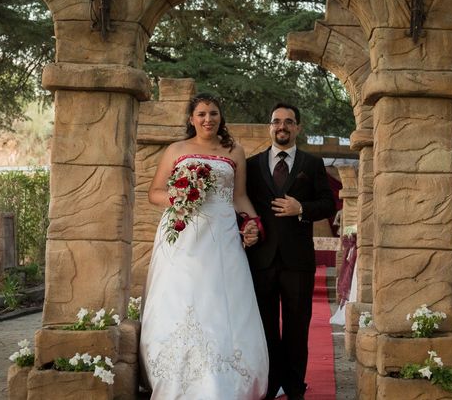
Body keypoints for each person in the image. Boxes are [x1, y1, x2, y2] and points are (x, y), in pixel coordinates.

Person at [140, 93, 269, 399]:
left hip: (222, 234)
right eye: (201, 114)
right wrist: (180, 198)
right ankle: (175, 375)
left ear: (220, 117)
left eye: (213, 113)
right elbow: (154, 192)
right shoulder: (176, 150)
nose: (208, 119)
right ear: (191, 119)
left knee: (220, 298)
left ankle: (226, 376)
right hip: (183, 233)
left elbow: (238, 196)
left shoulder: (234, 151)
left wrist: (254, 223)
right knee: (182, 296)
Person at [245, 102, 336, 400]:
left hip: (298, 261)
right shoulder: (253, 164)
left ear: (297, 127)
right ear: (270, 126)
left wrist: (302, 208)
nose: (281, 126)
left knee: (297, 327)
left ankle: (295, 387)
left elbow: (327, 204)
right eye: (276, 121)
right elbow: (241, 207)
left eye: (288, 121)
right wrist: (247, 227)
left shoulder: (311, 164)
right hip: (262, 259)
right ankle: (270, 385)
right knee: (266, 327)